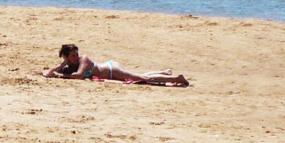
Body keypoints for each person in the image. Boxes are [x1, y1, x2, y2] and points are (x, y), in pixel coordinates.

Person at [42, 44, 188, 86]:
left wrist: (61, 75)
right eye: (72, 56)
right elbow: (50, 73)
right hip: (111, 71)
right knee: (139, 76)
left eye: (76, 54)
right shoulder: (69, 66)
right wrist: (63, 65)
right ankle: (164, 72)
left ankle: (176, 79)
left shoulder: (83, 59)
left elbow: (79, 76)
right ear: (67, 57)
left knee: (142, 79)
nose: (76, 57)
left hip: (112, 70)